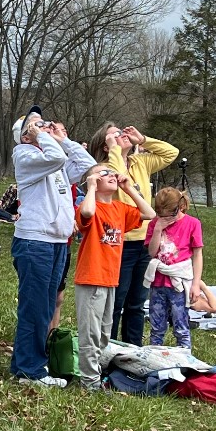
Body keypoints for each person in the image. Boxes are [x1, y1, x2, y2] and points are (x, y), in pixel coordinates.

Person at [9, 109, 95, 387]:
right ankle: (27, 370)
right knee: (34, 308)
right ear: (25, 135)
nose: (46, 127)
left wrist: (62, 138)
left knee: (46, 307)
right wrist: (38, 135)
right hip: (35, 241)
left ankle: (36, 363)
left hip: (57, 242)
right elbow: (55, 156)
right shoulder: (24, 155)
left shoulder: (52, 161)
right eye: (37, 125)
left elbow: (86, 166)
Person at [88, 124, 179, 345]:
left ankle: (132, 349)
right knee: (116, 301)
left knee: (137, 303)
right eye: (116, 134)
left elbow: (171, 153)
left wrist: (143, 139)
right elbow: (119, 177)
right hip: (120, 241)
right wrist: (114, 151)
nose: (123, 135)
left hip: (144, 242)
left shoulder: (140, 162)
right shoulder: (104, 168)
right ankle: (107, 348)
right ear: (106, 144)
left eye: (124, 132)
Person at [72, 164, 152, 388]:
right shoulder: (90, 205)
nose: (111, 176)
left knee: (105, 333)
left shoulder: (119, 208)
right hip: (91, 278)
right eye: (103, 173)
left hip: (110, 279)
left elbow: (149, 213)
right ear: (93, 181)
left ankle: (96, 372)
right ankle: (89, 381)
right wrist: (89, 187)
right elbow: (86, 214)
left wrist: (129, 188)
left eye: (112, 172)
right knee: (91, 333)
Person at [145, 187, 201, 347]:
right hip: (158, 282)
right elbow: (152, 252)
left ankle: (184, 359)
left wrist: (196, 284)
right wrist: (157, 229)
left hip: (179, 284)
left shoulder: (192, 224)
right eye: (160, 215)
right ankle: (155, 357)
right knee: (156, 327)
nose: (164, 219)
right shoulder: (155, 224)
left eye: (168, 215)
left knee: (181, 326)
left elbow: (198, 255)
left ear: (180, 207)